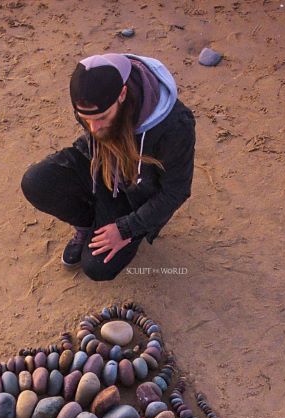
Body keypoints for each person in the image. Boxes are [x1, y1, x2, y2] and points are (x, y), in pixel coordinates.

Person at [20, 52, 196, 281]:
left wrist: (126, 228)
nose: (93, 129)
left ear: (122, 94)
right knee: (35, 182)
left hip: (136, 197)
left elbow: (176, 191)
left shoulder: (175, 126)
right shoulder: (89, 102)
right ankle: (88, 224)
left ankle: (116, 227)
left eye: (102, 117)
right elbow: (92, 134)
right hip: (100, 168)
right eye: (86, 119)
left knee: (97, 268)